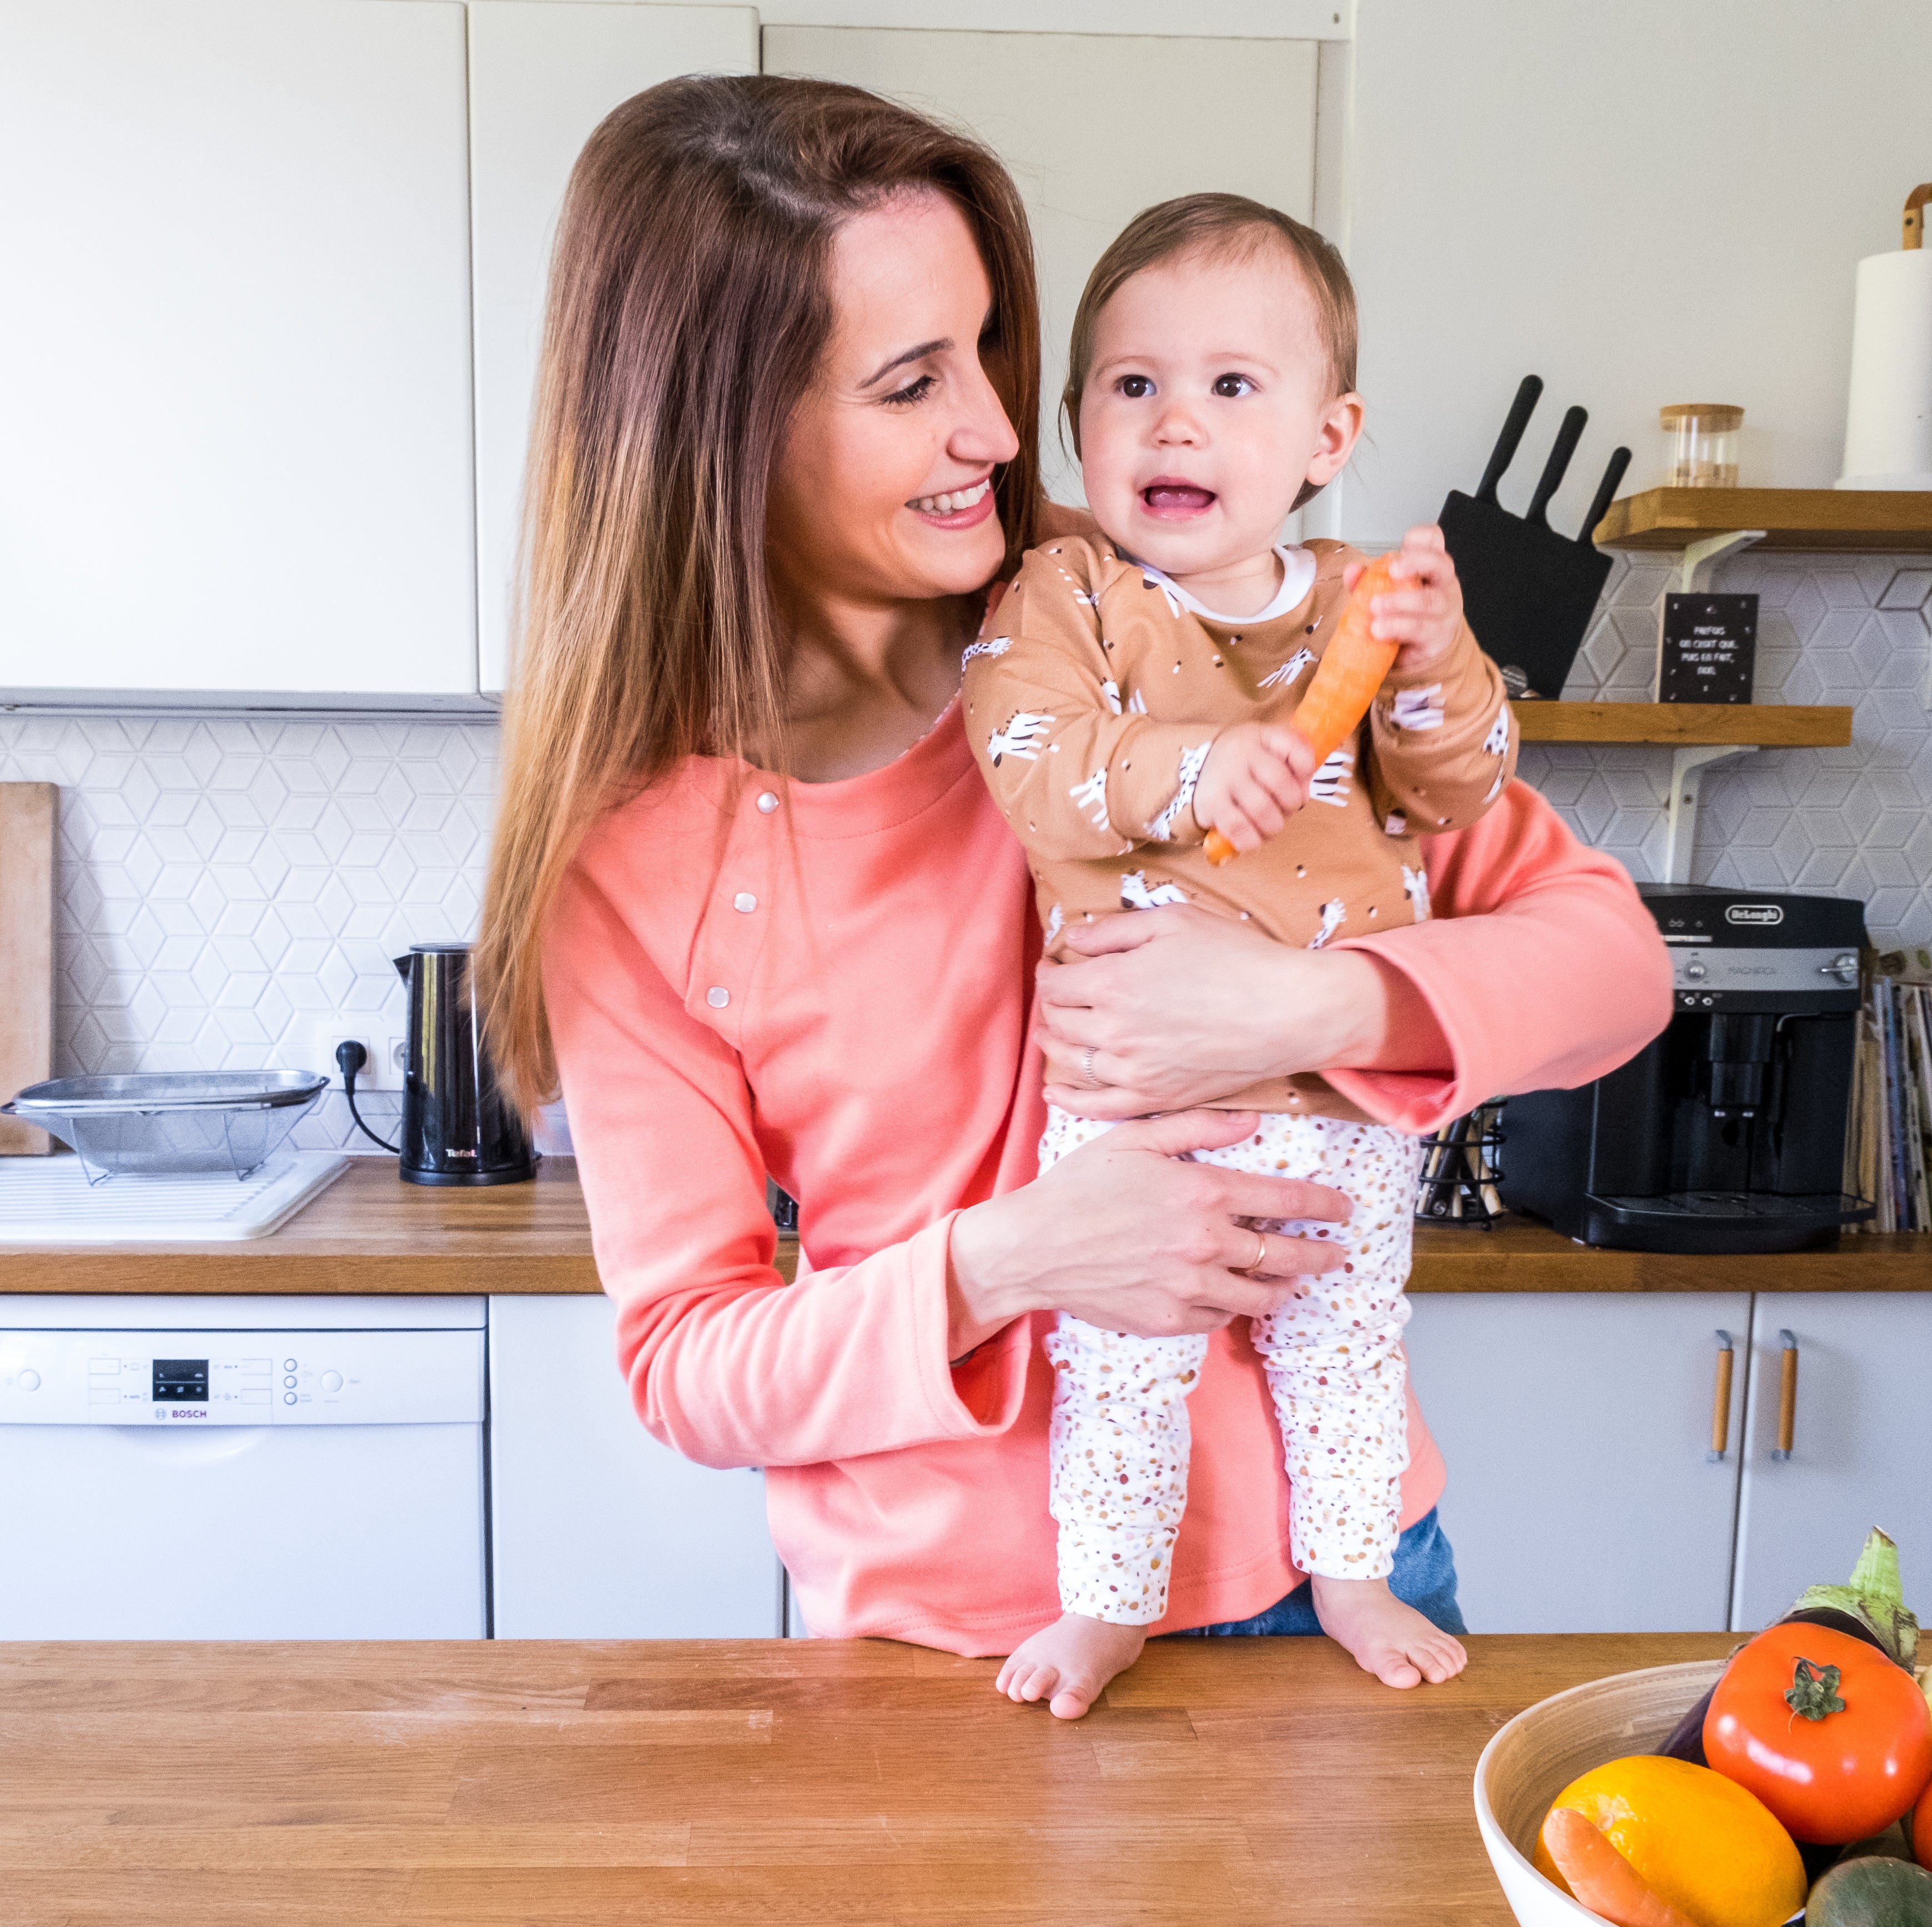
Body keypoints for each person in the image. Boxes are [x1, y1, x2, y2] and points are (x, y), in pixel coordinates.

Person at [476, 74, 1673, 1722]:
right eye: (911, 383)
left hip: (1341, 1596)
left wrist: (1318, 1009)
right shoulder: (642, 857)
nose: (989, 427)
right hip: (946, 1662)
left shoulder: (1175, 598)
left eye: (988, 352)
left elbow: (1614, 963)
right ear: (721, 437)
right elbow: (688, 1364)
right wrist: (1018, 1259)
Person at [965, 193, 1505, 1708]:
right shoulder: (1066, 594)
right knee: (1124, 1365)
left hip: (1341, 1101)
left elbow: (1461, 787)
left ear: (1328, 438)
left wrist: (1445, 659)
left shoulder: (1361, 606)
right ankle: (1109, 1599)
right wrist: (1190, 772)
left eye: (1230, 386)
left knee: (1346, 1349)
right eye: (1134, 387)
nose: (1176, 425)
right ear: (1079, 427)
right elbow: (1029, 755)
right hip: (1141, 1099)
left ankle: (1348, 1573)